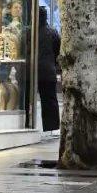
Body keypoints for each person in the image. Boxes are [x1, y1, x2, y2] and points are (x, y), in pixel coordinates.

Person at [36, 7, 61, 135]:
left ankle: (29, 123)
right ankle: (51, 128)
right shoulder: (52, 32)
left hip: (33, 70)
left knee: (28, 100)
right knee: (50, 100)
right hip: (48, 70)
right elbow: (58, 49)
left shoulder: (30, 32)